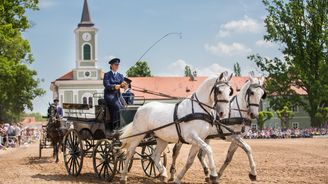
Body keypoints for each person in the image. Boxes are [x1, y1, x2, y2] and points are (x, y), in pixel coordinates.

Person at [103, 58, 127, 130]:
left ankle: (123, 125)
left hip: (118, 95)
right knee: (117, 106)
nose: (117, 66)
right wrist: (114, 87)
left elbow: (123, 84)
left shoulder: (120, 75)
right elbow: (106, 85)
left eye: (118, 65)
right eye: (115, 65)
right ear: (111, 65)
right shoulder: (107, 75)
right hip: (109, 95)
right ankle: (115, 127)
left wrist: (124, 85)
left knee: (124, 107)